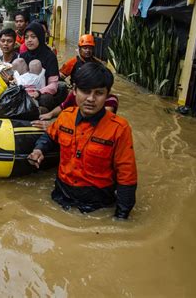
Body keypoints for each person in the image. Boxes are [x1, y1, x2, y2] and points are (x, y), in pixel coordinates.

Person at [28, 62, 137, 219]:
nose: (91, 99)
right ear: (74, 91)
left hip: (98, 205)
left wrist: (121, 217)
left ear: (107, 95)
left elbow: (127, 175)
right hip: (61, 195)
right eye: (85, 91)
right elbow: (50, 136)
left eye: (99, 93)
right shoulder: (65, 116)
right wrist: (39, 150)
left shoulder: (120, 128)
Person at [20, 22, 67, 112]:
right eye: (26, 37)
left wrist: (38, 92)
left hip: (42, 93)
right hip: (25, 92)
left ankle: (39, 111)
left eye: (33, 37)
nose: (29, 40)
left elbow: (53, 86)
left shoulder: (50, 56)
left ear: (40, 37)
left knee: (46, 99)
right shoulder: (23, 56)